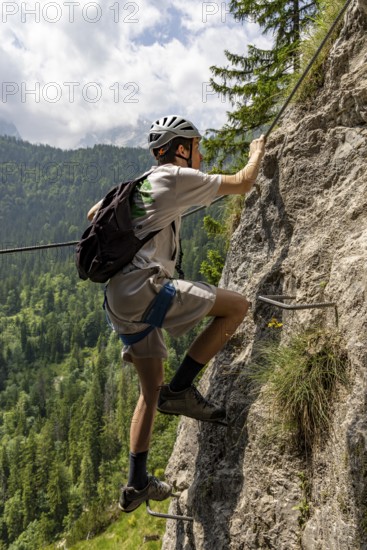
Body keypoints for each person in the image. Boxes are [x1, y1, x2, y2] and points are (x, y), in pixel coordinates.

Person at [87, 115, 265, 513]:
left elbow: (92, 214)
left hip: (118, 299)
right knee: (237, 307)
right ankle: (183, 389)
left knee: (150, 392)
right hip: (146, 290)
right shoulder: (174, 177)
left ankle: (136, 483)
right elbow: (243, 182)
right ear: (181, 148)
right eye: (197, 147)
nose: (201, 154)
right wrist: (256, 153)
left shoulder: (139, 184)